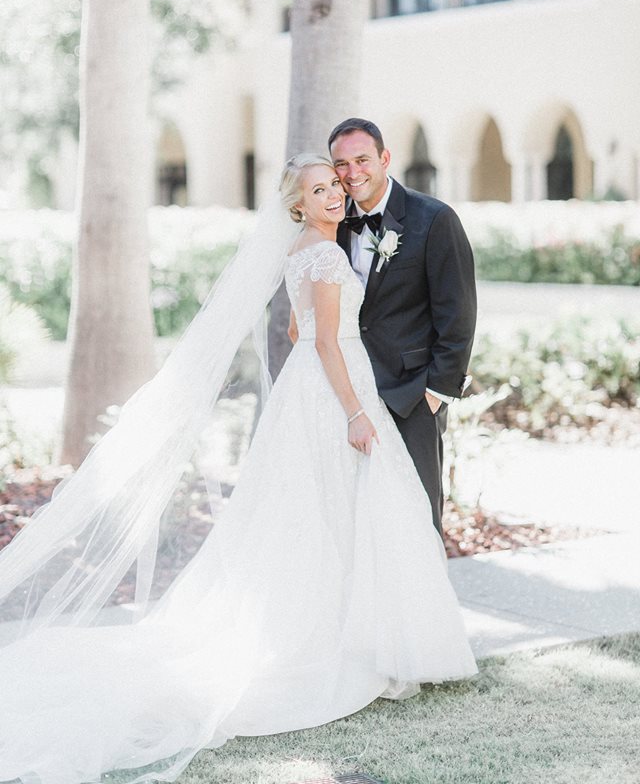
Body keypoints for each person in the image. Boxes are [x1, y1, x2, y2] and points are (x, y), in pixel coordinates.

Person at [0, 155, 477, 784]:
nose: (334, 194)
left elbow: (293, 325)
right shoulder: (327, 254)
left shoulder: (302, 250)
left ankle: (341, 631)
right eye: (319, 190)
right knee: (342, 509)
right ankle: (343, 642)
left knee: (307, 510)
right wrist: (357, 413)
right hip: (336, 389)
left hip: (303, 389)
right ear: (297, 205)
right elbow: (330, 341)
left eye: (334, 185)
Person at [329, 119, 477, 538]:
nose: (352, 172)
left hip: (413, 394)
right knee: (359, 518)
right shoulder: (332, 222)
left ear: (384, 159)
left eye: (361, 160)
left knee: (416, 516)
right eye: (341, 164)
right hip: (350, 395)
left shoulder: (434, 219)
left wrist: (436, 392)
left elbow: (458, 313)